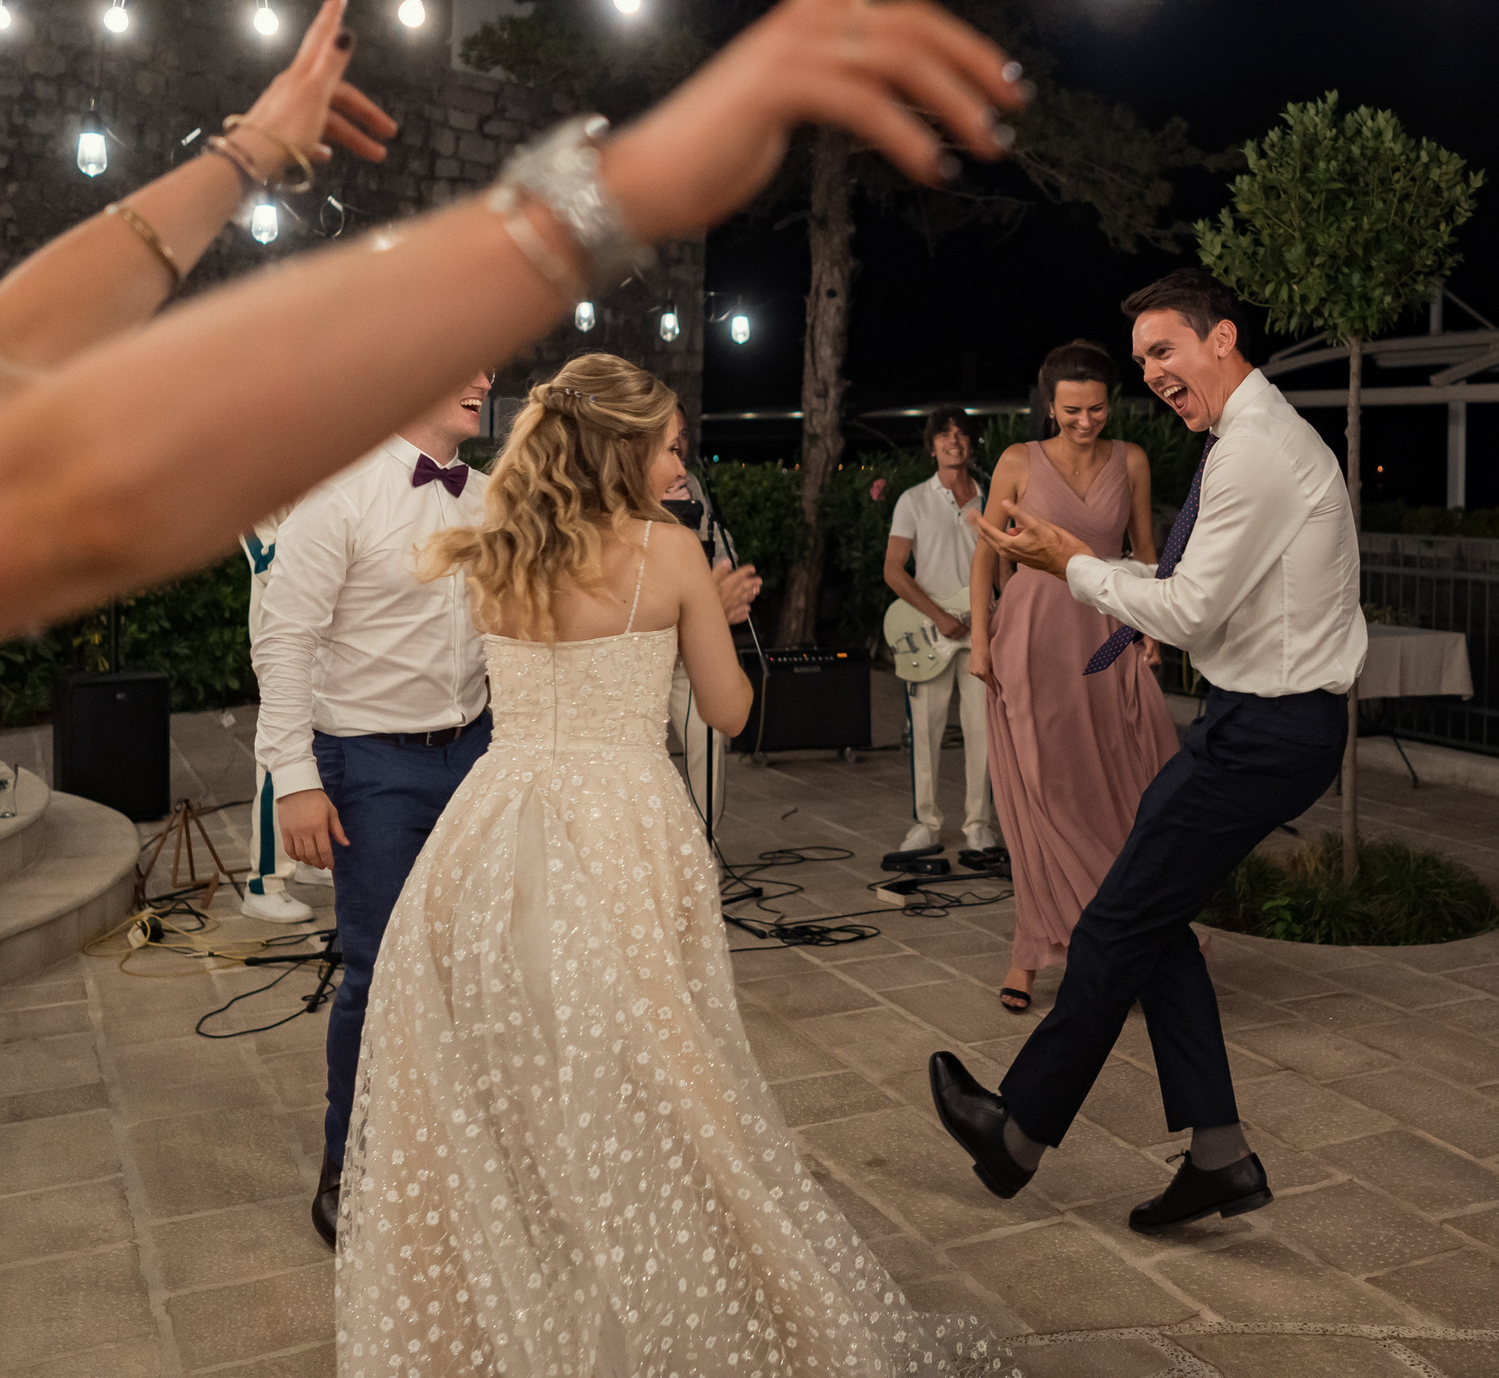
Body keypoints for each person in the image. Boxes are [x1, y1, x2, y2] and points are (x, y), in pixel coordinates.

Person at [0, 0, 1021, 1378]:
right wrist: (601, 198)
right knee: (411, 993)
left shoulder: (498, 516)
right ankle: (360, 1170)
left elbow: (7, 361)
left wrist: (237, 157)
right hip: (402, 767)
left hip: (492, 765)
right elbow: (81, 472)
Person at [335, 355, 1008, 1377]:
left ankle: (521, 1311)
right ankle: (625, 1309)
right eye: (672, 443)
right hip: (621, 829)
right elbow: (731, 712)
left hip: (493, 832)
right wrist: (725, 613)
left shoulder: (491, 550)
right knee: (652, 1076)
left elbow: (479, 685)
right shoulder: (671, 553)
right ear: (627, 451)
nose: (681, 459)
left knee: (509, 1084)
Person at [934, 268, 1366, 1233]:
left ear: (1222, 338)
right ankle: (1217, 1154)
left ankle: (1016, 1136)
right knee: (1151, 919)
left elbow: (1185, 608)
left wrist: (1069, 566)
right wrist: (1075, 559)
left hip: (1264, 731)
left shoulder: (1255, 450)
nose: (1155, 374)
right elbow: (1187, 582)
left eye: (1165, 350)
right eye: (1143, 362)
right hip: (1256, 722)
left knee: (1112, 924)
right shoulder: (1248, 436)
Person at [251, 373, 495, 1245]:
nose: (485, 379)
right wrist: (297, 777)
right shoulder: (340, 495)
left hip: (480, 751)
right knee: (380, 971)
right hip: (368, 764)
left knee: (471, 967)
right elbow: (284, 640)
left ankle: (454, 1153)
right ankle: (346, 1162)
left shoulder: (493, 496)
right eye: (463, 364)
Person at [971, 341, 1177, 1014]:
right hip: (1031, 633)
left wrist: (1153, 627)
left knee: (1127, 787)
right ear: (1049, 404)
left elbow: (1146, 552)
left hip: (1110, 629)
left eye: (1095, 408)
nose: (1085, 421)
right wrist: (979, 639)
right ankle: (1030, 952)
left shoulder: (1133, 460)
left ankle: (1131, 946)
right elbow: (985, 557)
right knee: (1040, 790)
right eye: (1070, 410)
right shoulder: (1017, 461)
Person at [883, 409, 1001, 862]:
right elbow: (894, 571)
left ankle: (978, 825)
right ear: (931, 445)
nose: (954, 441)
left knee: (982, 731)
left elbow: (1003, 570)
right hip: (930, 632)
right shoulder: (913, 500)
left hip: (980, 632)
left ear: (972, 443)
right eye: (945, 435)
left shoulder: (990, 499)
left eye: (962, 434)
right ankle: (925, 824)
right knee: (926, 732)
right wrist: (939, 615)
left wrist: (1002, 618)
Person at [660, 428, 762, 836]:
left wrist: (722, 586)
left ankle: (705, 845)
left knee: (709, 742)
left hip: (689, 651)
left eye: (679, 439)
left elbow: (733, 713)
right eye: (668, 443)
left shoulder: (694, 489)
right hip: (641, 656)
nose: (679, 451)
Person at [236, 503, 332, 923]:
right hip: (284, 639)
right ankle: (264, 883)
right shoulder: (256, 481)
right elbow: (265, 561)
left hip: (331, 638)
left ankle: (311, 859)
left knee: (327, 746)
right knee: (282, 757)